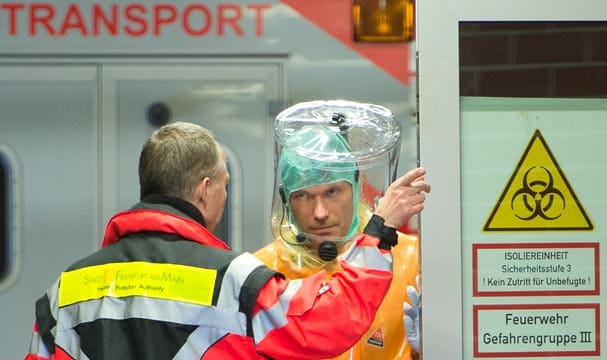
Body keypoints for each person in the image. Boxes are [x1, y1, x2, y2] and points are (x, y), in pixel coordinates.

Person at [24, 121, 428, 360]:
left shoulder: (65, 292)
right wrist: (379, 231)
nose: (319, 211)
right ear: (203, 190)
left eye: (332, 192)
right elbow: (326, 322)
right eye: (224, 184)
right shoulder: (234, 280)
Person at [254, 100, 429, 359]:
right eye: (303, 196)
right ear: (286, 200)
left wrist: (430, 350)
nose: (320, 212)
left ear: (356, 187)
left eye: (332, 192)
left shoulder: (411, 259)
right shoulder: (263, 273)